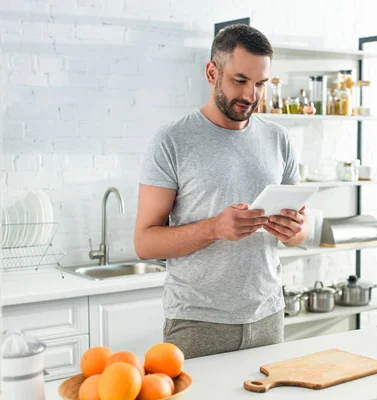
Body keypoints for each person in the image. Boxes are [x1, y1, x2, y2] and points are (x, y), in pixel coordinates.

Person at [134, 24, 309, 359]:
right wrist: (215, 228)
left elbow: (302, 232)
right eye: (239, 80)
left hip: (269, 316)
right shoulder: (172, 141)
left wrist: (295, 229)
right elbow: (145, 242)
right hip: (198, 322)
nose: (250, 95)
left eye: (260, 83)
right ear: (212, 71)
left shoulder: (279, 139)